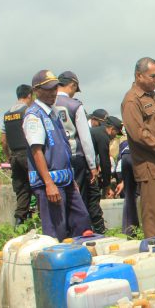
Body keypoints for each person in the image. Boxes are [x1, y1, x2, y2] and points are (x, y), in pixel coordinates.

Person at [23, 70, 91, 241]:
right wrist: (48, 183)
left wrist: (72, 178)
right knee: (56, 232)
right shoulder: (34, 115)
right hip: (51, 183)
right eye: (48, 89)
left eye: (55, 88)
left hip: (66, 180)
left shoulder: (52, 113)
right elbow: (37, 151)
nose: (53, 92)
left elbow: (63, 147)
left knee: (82, 222)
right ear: (36, 91)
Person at [121, 57, 155, 238]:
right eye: (153, 76)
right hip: (150, 168)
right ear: (139, 75)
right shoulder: (132, 101)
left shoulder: (152, 96)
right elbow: (139, 134)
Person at [54, 71, 101, 231]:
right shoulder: (75, 105)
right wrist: (92, 165)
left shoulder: (47, 103)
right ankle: (78, 233)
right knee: (77, 197)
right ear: (72, 85)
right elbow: (85, 139)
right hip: (75, 157)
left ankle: (61, 231)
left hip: (53, 159)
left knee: (58, 197)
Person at [1, 84, 34, 225]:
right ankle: (42, 222)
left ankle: (19, 222)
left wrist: (8, 155)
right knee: (38, 187)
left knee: (22, 191)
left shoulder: (7, 114)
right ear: (29, 95)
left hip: (14, 156)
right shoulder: (28, 111)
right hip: (28, 155)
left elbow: (3, 141)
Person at [116, 139, 139, 236]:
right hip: (137, 155)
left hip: (126, 157)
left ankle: (129, 231)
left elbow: (119, 163)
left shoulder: (124, 143)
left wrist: (121, 180)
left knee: (129, 196)